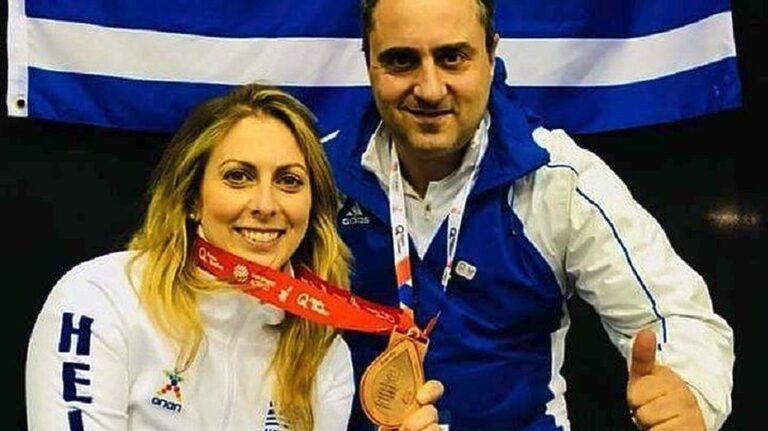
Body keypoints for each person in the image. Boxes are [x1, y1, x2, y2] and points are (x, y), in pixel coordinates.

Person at [325, 0, 735, 430]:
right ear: (369, 62)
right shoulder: (316, 178)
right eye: (401, 60)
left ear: (491, 54)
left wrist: (690, 392)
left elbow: (677, 315)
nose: (429, 88)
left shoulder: (559, 180)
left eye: (452, 57)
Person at [25, 83, 443, 431]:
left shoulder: (322, 356)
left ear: (311, 207)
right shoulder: (100, 299)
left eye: (289, 181)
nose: (265, 204)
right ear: (192, 197)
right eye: (238, 177)